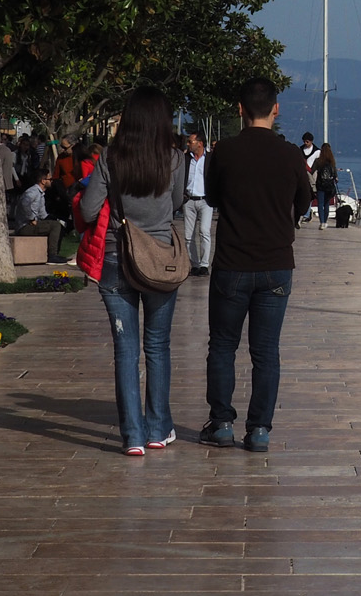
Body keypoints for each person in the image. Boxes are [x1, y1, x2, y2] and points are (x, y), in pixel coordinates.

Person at [201, 78, 311, 452]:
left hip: (232, 262)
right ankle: (260, 429)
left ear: (239, 109)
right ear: (276, 109)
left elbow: (212, 198)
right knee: (266, 351)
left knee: (223, 346)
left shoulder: (224, 152)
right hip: (277, 263)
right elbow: (305, 204)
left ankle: (222, 423)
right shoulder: (292, 155)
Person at [76, 86, 186, 456]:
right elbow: (175, 206)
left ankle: (133, 436)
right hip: (160, 261)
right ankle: (158, 429)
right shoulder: (173, 158)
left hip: (115, 259)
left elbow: (90, 212)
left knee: (126, 350)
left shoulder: (110, 158)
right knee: (158, 346)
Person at [12, 168, 66, 263]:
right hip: (24, 226)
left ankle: (56, 253)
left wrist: (58, 219)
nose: (52, 181)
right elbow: (24, 203)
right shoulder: (33, 192)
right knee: (55, 226)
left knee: (58, 224)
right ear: (43, 181)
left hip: (31, 224)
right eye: (50, 179)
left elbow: (43, 214)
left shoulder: (40, 194)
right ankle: (52, 255)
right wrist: (31, 218)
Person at [182, 131, 213, 277]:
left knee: (204, 232)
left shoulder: (210, 159)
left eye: (191, 142)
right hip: (189, 200)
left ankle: (204, 264)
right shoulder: (186, 158)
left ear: (200, 143)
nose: (188, 144)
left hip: (205, 200)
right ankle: (194, 264)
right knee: (189, 235)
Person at [311, 143, 339, 230]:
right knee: (326, 204)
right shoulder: (332, 162)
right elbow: (335, 175)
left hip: (320, 184)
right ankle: (325, 221)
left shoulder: (318, 161)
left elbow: (312, 171)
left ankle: (322, 222)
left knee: (320, 204)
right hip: (329, 185)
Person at [297, 132, 317, 224]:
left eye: (307, 141)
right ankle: (303, 213)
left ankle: (307, 213)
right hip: (302, 174)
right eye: (304, 141)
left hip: (312, 176)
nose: (305, 143)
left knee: (310, 194)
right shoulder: (300, 150)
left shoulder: (317, 152)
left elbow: (318, 164)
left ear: (311, 141)